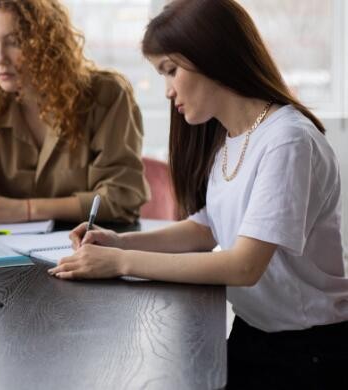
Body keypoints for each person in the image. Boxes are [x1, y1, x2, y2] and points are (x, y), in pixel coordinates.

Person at [49, 0, 348, 387]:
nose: (169, 91)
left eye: (171, 71)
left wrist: (120, 262)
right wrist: (120, 241)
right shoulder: (232, 138)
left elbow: (243, 266)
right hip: (255, 332)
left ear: (212, 56)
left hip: (309, 350)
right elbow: (208, 228)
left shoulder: (287, 140)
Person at [0, 0, 149, 238]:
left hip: (88, 251)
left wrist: (26, 209)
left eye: (14, 42)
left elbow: (121, 197)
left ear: (48, 43)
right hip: (3, 261)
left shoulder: (107, 95)